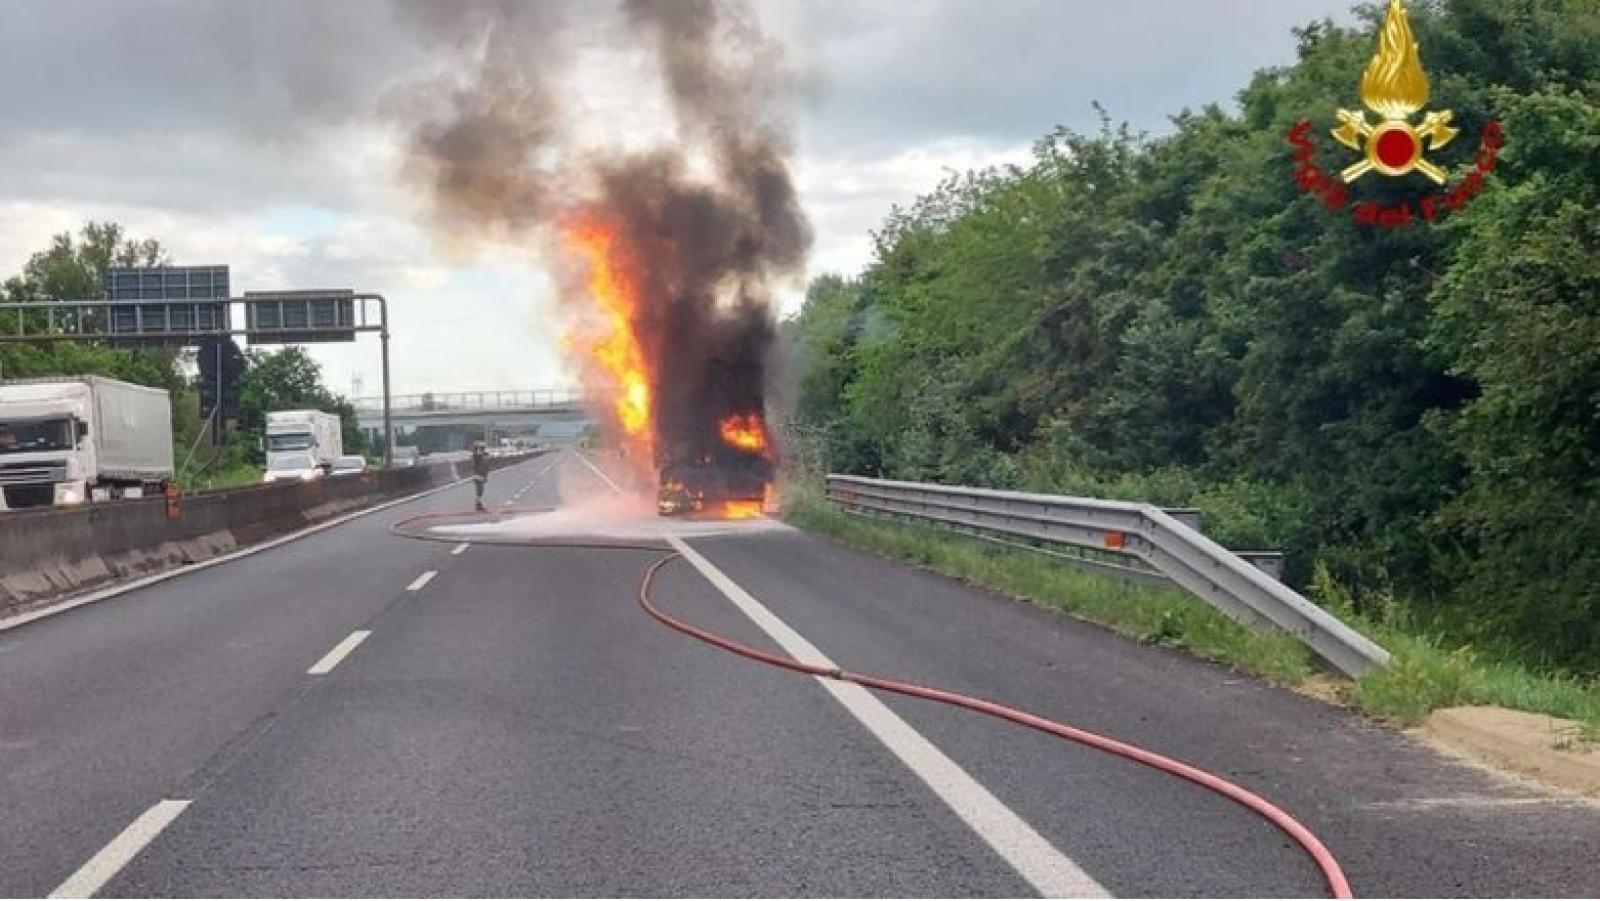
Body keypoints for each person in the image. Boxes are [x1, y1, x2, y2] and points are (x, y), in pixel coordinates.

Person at [471, 441, 490, 512]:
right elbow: (478, 454)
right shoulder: (476, 455)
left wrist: (485, 476)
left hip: (482, 474)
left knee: (480, 490)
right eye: (482, 448)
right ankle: (478, 504)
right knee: (480, 489)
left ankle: (478, 503)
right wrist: (478, 446)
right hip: (477, 474)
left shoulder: (483, 455)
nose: (483, 449)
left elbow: (486, 466)